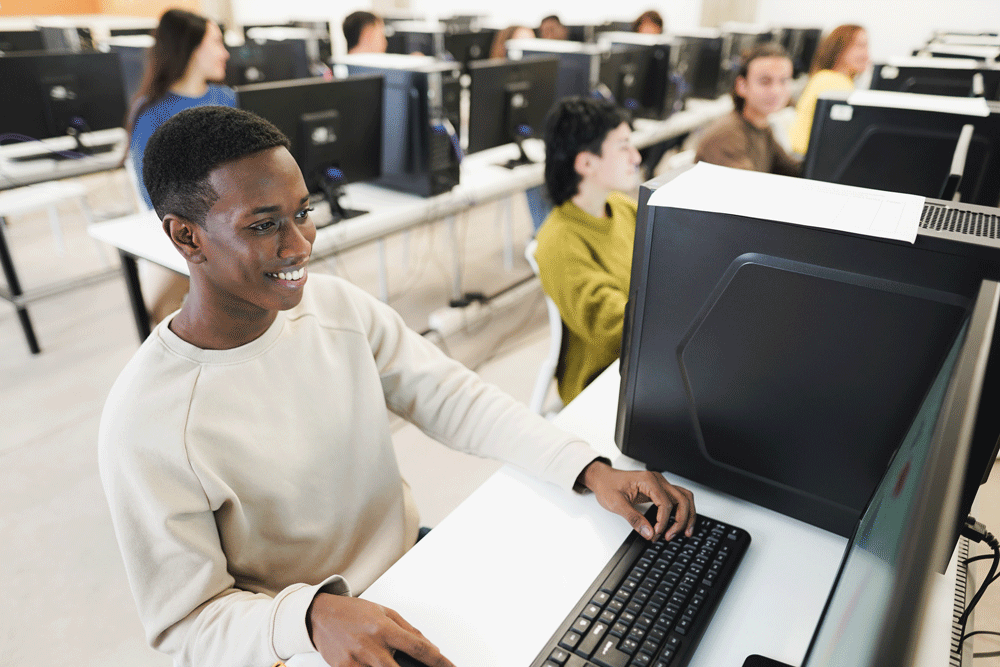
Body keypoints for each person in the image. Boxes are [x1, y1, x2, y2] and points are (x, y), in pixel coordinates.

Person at [98, 105, 696, 667]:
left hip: (411, 565)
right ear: (186, 238)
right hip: (299, 639)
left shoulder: (335, 308)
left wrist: (587, 467)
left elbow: (453, 397)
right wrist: (307, 617)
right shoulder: (147, 421)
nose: (301, 244)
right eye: (264, 225)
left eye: (304, 212)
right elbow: (186, 624)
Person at [125, 8, 234, 324]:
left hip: (234, 219)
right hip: (191, 230)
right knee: (162, 309)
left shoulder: (227, 98)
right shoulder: (151, 113)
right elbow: (153, 195)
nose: (225, 53)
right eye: (216, 43)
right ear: (191, 49)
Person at [534, 97, 642, 405]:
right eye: (623, 146)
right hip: (605, 383)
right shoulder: (559, 242)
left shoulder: (621, 208)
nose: (635, 156)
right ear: (586, 163)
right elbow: (619, 331)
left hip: (644, 357)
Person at [695, 42, 801, 175]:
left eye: (784, 81)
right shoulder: (727, 136)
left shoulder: (762, 126)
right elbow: (747, 188)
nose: (776, 91)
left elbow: (790, 168)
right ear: (742, 86)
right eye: (765, 81)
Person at [789, 24, 870, 155]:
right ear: (839, 49)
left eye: (866, 46)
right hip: (804, 156)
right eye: (860, 46)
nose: (866, 54)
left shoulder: (824, 76)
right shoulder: (835, 82)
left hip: (799, 153)